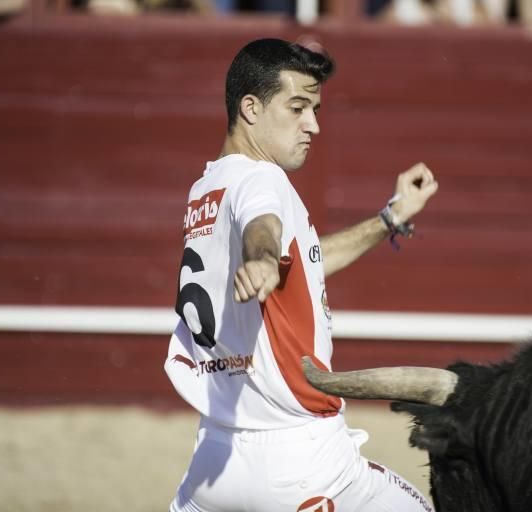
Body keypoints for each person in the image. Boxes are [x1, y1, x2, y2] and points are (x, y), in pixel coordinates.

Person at [164, 38, 439, 512]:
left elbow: (306, 261)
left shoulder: (208, 186)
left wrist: (389, 219)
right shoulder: (261, 179)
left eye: (315, 108)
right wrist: (263, 258)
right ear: (251, 108)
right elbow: (263, 227)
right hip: (301, 460)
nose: (313, 125)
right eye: (297, 108)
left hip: (215, 463)